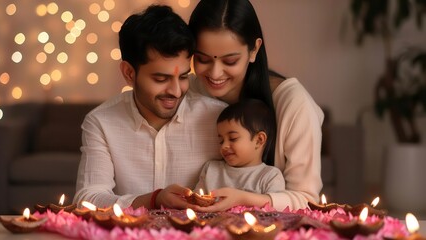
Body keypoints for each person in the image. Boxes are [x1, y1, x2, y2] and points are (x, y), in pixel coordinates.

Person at [73, 5, 227, 210]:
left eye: (182, 77)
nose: (175, 91)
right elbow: (87, 199)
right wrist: (154, 200)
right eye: (161, 78)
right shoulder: (101, 122)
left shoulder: (218, 118)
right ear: (129, 73)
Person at [188, 0, 324, 211]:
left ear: (254, 50)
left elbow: (307, 201)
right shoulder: (188, 91)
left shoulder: (294, 105)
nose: (215, 74)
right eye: (202, 59)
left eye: (230, 61)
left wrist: (245, 200)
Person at [194, 99, 285, 209]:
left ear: (259, 140)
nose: (224, 146)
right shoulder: (211, 170)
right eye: (221, 141)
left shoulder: (270, 176)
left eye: (233, 138)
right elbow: (196, 202)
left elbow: (276, 211)